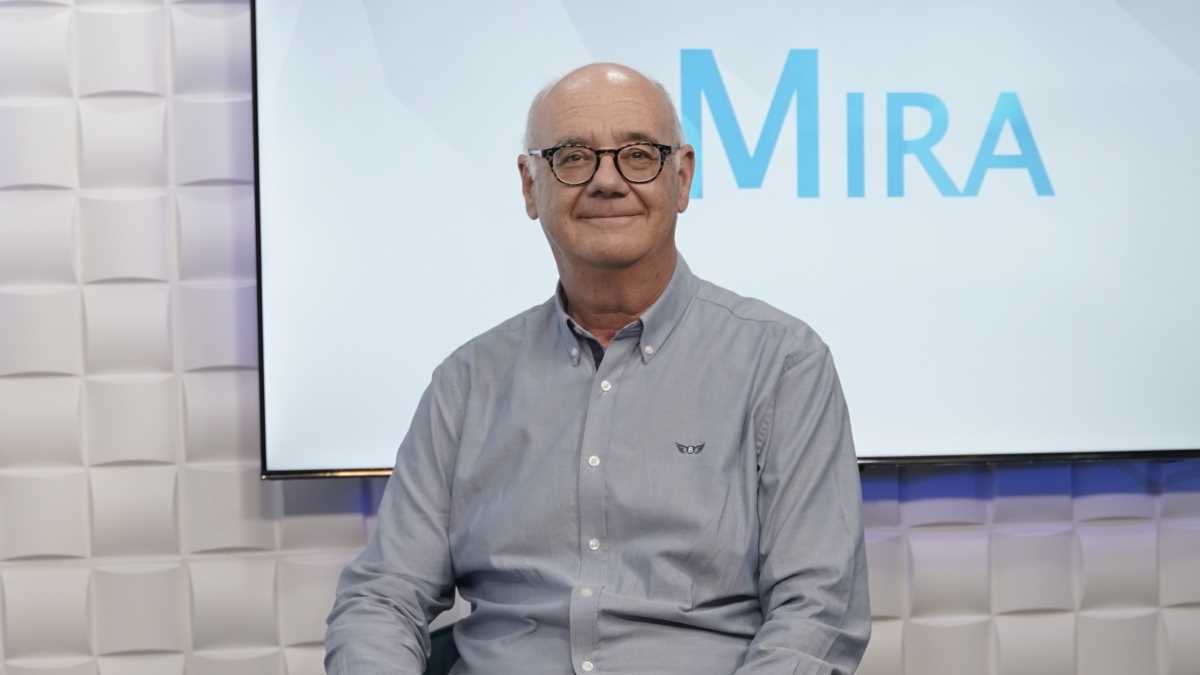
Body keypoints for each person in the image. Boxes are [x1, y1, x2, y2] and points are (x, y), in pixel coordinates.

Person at [325, 62, 870, 675]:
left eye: (638, 155)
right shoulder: (468, 383)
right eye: (573, 157)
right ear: (530, 186)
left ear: (682, 178)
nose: (607, 181)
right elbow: (382, 597)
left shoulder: (783, 363)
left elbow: (817, 613)